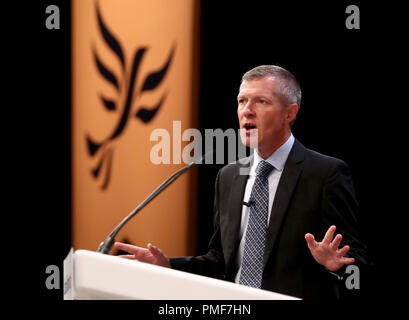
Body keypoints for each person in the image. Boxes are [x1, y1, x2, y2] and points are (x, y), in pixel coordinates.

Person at [114, 65, 370, 300]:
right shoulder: (228, 176)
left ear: (290, 113)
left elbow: (357, 263)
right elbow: (219, 261)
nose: (247, 110)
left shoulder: (326, 174)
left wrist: (337, 266)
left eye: (261, 101)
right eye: (241, 101)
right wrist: (169, 265)